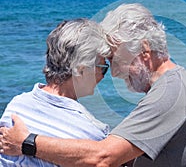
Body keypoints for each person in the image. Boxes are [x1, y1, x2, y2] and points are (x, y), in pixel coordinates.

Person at [0, 3, 186, 167]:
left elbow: (104, 157)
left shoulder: (172, 92)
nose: (116, 73)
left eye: (116, 61)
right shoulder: (169, 87)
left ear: (144, 51)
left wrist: (27, 142)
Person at [0, 18, 111, 166]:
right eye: (102, 68)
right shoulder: (91, 132)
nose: (103, 76)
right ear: (80, 69)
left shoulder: (16, 106)